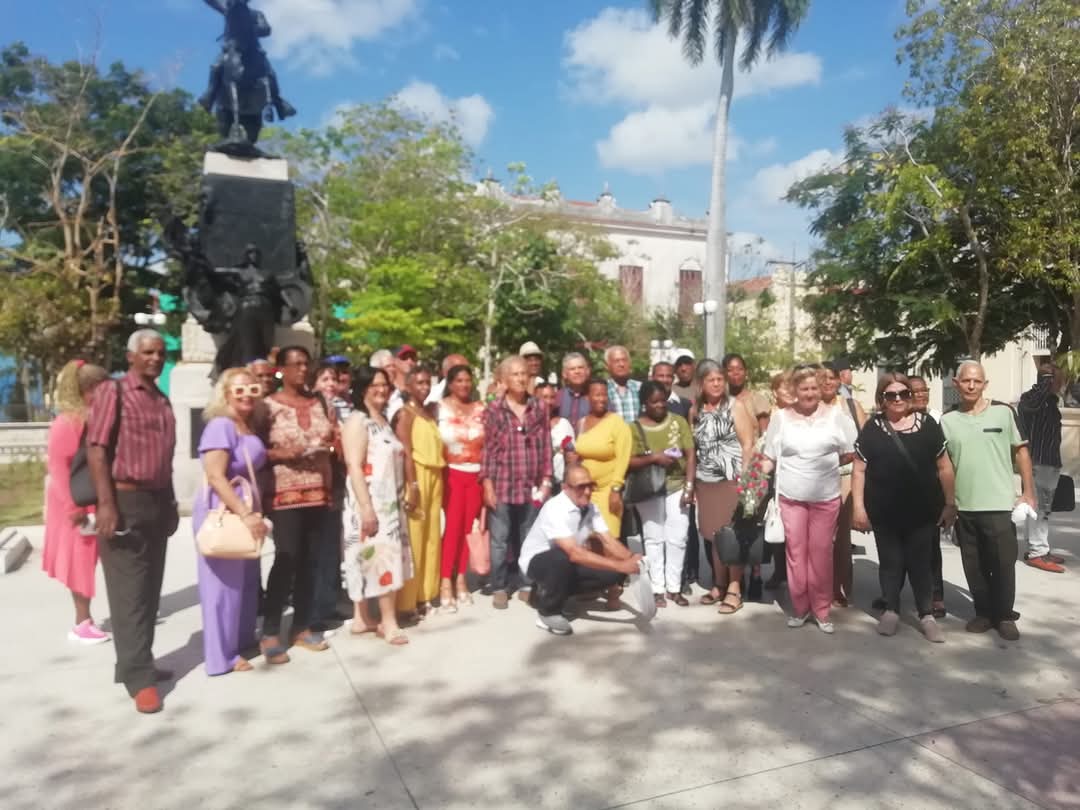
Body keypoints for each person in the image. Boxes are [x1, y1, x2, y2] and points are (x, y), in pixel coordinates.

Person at [87, 329, 178, 714]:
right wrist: (106, 504)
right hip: (123, 499)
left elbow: (165, 456)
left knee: (149, 590)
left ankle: (138, 661)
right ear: (130, 356)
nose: (155, 358)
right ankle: (138, 679)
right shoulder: (115, 392)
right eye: (147, 353)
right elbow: (96, 448)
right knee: (127, 591)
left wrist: (171, 500)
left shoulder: (161, 400)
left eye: (160, 352)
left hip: (156, 501)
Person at [851, 373, 955, 643]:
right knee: (890, 563)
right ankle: (891, 610)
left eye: (903, 394)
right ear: (882, 399)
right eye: (891, 395)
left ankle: (926, 615)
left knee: (921, 564)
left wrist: (950, 503)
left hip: (922, 512)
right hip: (884, 512)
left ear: (910, 396)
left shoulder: (929, 425)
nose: (898, 399)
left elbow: (944, 467)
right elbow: (859, 471)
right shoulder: (873, 428)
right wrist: (859, 509)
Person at [941, 361, 1037, 641]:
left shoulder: (1004, 413)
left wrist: (1028, 492)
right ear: (956, 384)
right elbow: (944, 465)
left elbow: (1021, 453)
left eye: (977, 381)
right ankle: (983, 612)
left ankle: (1005, 616)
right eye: (966, 381)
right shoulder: (947, 420)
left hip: (997, 504)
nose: (971, 385)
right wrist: (948, 503)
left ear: (985, 384)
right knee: (974, 564)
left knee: (1003, 563)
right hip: (964, 505)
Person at [761, 366, 857, 635]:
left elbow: (850, 452)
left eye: (814, 388)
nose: (810, 393)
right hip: (791, 498)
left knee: (821, 554)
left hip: (825, 497)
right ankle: (801, 608)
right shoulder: (781, 418)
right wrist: (752, 482)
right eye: (804, 389)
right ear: (795, 391)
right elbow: (769, 456)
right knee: (796, 554)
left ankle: (822, 610)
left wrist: (824, 466)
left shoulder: (837, 417)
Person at [194, 367, 271, 672]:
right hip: (224, 512)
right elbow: (215, 475)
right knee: (221, 589)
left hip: (245, 513)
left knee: (245, 583)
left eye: (253, 390)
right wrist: (245, 513)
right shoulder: (221, 425)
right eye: (239, 390)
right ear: (225, 393)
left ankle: (238, 642)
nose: (246, 396)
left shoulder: (248, 426)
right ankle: (220, 657)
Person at [262, 345, 336, 657]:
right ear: (281, 369)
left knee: (311, 561)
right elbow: (255, 449)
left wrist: (328, 456)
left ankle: (301, 625)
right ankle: (269, 629)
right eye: (295, 365)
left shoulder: (319, 401)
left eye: (306, 364)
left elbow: (331, 440)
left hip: (318, 492)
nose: (302, 370)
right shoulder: (266, 407)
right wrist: (283, 454)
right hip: (284, 494)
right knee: (286, 558)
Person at [519, 464, 645, 635]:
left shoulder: (591, 508)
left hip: (566, 561)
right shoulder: (555, 508)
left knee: (613, 574)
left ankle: (560, 596)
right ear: (565, 488)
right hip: (538, 562)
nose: (587, 491)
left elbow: (609, 541)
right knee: (562, 557)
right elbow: (573, 552)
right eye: (580, 487)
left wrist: (634, 559)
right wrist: (622, 566)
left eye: (590, 485)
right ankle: (548, 612)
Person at [341, 366, 413, 646]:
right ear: (362, 389)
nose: (381, 389)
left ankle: (363, 618)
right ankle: (388, 621)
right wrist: (366, 507)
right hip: (369, 501)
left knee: (372, 557)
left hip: (389, 502)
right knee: (379, 558)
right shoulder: (358, 421)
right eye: (375, 385)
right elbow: (354, 467)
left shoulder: (382, 420)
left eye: (385, 385)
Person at [43, 360, 110, 644]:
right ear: (87, 390)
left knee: (93, 559)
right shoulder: (66, 424)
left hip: (91, 501)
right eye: (101, 389)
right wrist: (75, 508)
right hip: (73, 504)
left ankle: (88, 619)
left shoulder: (93, 419)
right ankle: (81, 622)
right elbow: (58, 470)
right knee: (79, 562)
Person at [480, 356, 554, 609]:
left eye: (524, 374)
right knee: (499, 540)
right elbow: (488, 450)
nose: (521, 379)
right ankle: (499, 586)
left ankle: (526, 583)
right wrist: (487, 484)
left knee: (529, 536)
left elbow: (547, 447)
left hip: (531, 484)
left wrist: (546, 480)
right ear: (504, 380)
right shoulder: (493, 410)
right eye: (515, 375)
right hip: (502, 484)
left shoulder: (539, 408)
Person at [690, 360, 755, 613]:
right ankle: (718, 584)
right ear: (701, 383)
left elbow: (748, 444)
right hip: (706, 483)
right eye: (711, 380)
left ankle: (734, 588)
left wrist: (746, 479)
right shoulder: (695, 410)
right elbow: (694, 449)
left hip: (732, 480)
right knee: (714, 536)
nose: (716, 384)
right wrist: (692, 483)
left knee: (732, 537)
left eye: (720, 379)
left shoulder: (734, 406)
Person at [628, 381, 695, 607]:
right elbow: (628, 460)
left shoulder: (678, 421)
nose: (659, 405)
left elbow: (691, 454)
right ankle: (657, 588)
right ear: (644, 403)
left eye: (662, 401)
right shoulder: (634, 428)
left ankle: (674, 588)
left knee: (678, 538)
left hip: (677, 486)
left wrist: (689, 487)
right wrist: (655, 458)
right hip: (649, 490)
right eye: (653, 402)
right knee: (654, 538)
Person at [394, 366, 445, 619]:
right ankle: (406, 603)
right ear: (409, 386)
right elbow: (405, 452)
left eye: (428, 383)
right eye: (420, 383)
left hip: (436, 475)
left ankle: (426, 593)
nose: (424, 387)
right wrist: (412, 486)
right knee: (414, 539)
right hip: (418, 476)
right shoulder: (405, 414)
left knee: (432, 537)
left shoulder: (428, 412)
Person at [437, 365, 485, 610]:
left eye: (468, 380)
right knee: (452, 529)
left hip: (475, 475)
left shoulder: (481, 408)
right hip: (452, 474)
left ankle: (461, 578)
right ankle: (445, 580)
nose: (464, 385)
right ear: (450, 383)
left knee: (469, 529)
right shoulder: (440, 407)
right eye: (459, 380)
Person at [820, 363, 866, 607]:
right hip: (815, 478)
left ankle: (840, 588)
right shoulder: (809, 407)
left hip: (846, 476)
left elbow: (866, 443)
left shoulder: (850, 406)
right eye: (822, 378)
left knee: (841, 537)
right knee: (820, 537)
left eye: (831, 377)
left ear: (839, 380)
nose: (827, 382)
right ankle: (820, 588)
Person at [1016, 363, 1068, 573]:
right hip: (1038, 462)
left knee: (1042, 509)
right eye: (1058, 379)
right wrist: (1047, 377)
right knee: (1040, 508)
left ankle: (1038, 549)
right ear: (1047, 380)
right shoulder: (1031, 399)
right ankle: (1038, 552)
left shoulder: (1050, 402)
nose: (1061, 383)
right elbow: (1030, 405)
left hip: (1049, 461)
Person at [573, 378, 632, 538]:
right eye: (597, 395)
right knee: (587, 540)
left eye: (604, 395)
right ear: (587, 397)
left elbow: (623, 458)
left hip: (608, 491)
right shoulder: (581, 423)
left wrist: (615, 489)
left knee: (609, 540)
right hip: (585, 493)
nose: (601, 399)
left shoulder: (616, 422)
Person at [763, 370, 796, 589]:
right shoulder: (772, 414)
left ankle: (794, 573)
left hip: (795, 474)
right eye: (785, 387)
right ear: (775, 391)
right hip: (773, 475)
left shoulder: (800, 413)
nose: (790, 392)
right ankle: (779, 570)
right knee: (776, 524)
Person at [723, 354, 771, 436]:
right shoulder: (720, 400)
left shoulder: (758, 400)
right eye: (730, 370)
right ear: (724, 374)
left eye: (740, 369)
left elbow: (764, 435)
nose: (736, 373)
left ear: (746, 373)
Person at [536, 382, 574, 485]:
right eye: (544, 397)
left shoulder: (563, 425)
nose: (549, 401)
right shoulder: (530, 427)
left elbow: (570, 453)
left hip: (560, 483)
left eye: (552, 397)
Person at [605, 345, 641, 423]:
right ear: (607, 366)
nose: (621, 364)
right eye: (616, 361)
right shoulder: (602, 390)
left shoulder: (640, 388)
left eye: (624, 360)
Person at [558, 352, 591, 431]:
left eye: (580, 367)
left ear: (587, 371)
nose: (577, 371)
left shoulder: (597, 395)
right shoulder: (558, 397)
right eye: (572, 369)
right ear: (564, 374)